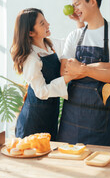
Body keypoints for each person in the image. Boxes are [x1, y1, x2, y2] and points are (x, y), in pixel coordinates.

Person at [57, 0, 110, 146]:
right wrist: (103, 67)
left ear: (92, 1)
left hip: (101, 120)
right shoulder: (74, 36)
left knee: (101, 166)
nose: (74, 9)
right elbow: (65, 73)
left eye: (77, 4)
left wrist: (82, 69)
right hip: (71, 118)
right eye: (72, 5)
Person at [10, 8, 75, 140]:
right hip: (33, 120)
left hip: (49, 114)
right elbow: (41, 92)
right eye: (42, 23)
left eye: (45, 21)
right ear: (30, 32)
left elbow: (71, 43)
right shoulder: (31, 58)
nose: (48, 24)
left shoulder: (50, 45)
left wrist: (78, 21)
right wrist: (67, 78)